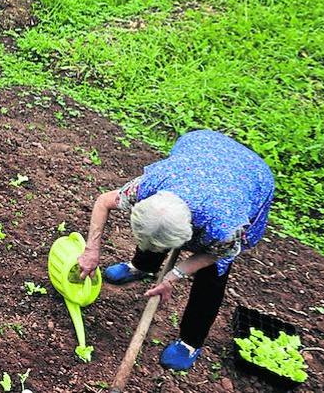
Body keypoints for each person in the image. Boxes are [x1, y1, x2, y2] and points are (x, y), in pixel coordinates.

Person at [77, 129, 274, 371]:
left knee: (212, 276)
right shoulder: (149, 186)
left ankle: (191, 341)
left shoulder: (225, 226)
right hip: (202, 146)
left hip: (248, 177)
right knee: (156, 227)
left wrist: (175, 274)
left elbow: (217, 253)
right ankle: (142, 266)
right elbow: (103, 202)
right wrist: (91, 250)